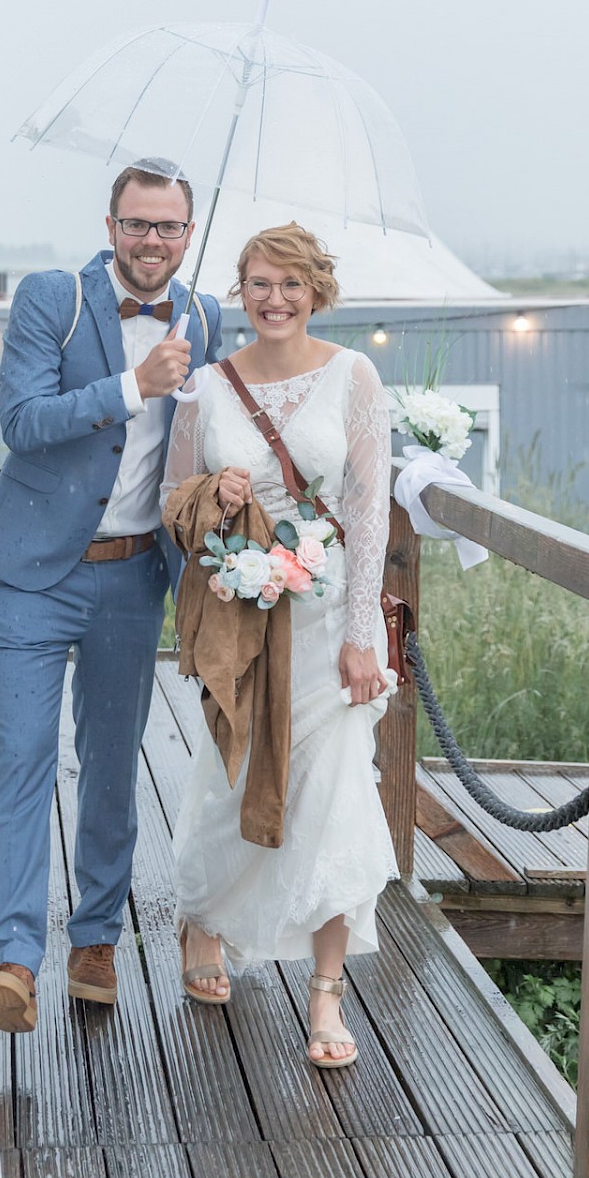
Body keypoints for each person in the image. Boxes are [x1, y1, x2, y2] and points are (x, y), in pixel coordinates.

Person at [0, 159, 222, 1033]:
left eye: (169, 227)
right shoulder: (53, 298)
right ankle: (7, 956)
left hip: (133, 576)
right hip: (30, 572)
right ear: (111, 225)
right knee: (24, 753)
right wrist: (132, 385)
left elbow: (212, 437)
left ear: (189, 234)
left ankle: (95, 941)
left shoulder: (204, 315)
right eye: (137, 224)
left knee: (113, 765)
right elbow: (21, 422)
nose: (152, 241)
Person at [161, 223, 398, 1068]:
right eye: (258, 283)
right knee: (230, 783)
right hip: (244, 622)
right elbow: (173, 503)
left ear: (315, 290)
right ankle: (202, 918)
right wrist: (214, 495)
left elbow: (371, 516)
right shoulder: (208, 388)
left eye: (290, 284)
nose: (273, 299)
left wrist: (363, 637)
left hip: (330, 624)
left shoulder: (353, 376)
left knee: (334, 796)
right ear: (241, 290)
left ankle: (327, 996)